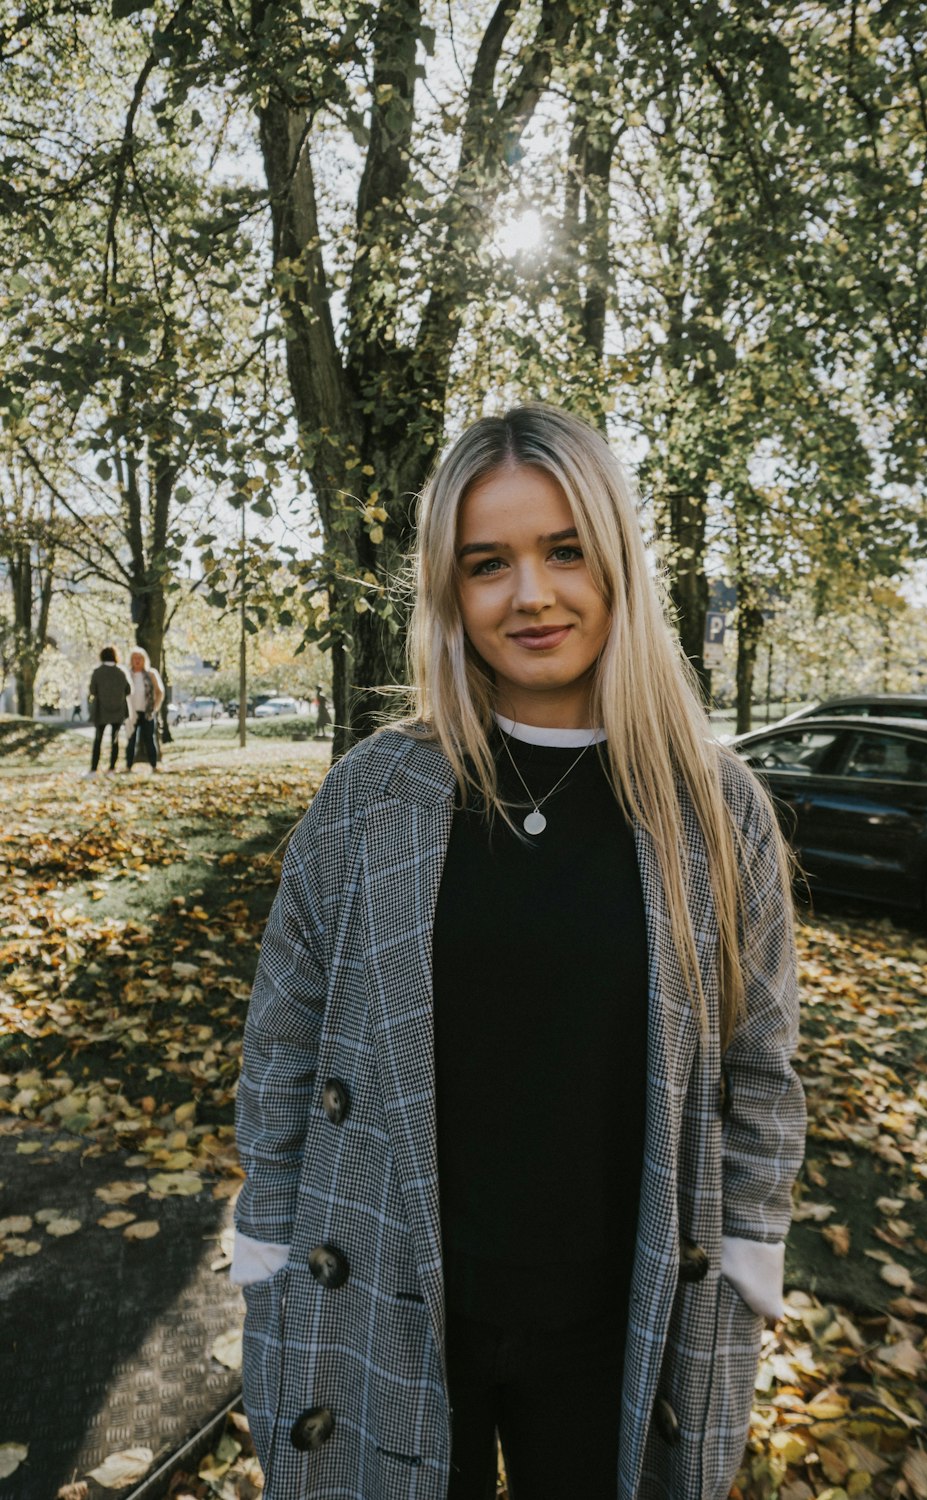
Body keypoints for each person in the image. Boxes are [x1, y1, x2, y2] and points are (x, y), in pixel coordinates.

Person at [232, 405, 806, 1500]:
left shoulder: (713, 810)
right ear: (450, 592)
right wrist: (266, 1231)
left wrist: (748, 1247)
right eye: (487, 563)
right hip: (391, 1300)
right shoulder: (373, 796)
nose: (530, 595)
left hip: (624, 1316)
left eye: (564, 550)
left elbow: (760, 1062)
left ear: (617, 563)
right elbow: (285, 1032)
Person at [86, 646, 132, 777]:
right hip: (118, 711)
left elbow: (92, 691)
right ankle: (112, 768)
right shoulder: (121, 672)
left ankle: (94, 768)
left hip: (101, 711)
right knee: (115, 739)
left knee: (98, 740)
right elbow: (128, 690)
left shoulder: (97, 672)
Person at [124, 647, 165, 772]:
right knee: (131, 740)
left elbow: (160, 692)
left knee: (149, 739)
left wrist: (155, 707)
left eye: (140, 658)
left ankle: (154, 765)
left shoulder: (151, 674)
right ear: (131, 660)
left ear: (144, 660)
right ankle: (128, 766)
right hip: (131, 713)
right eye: (134, 658)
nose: (137, 660)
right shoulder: (127, 674)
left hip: (147, 712)